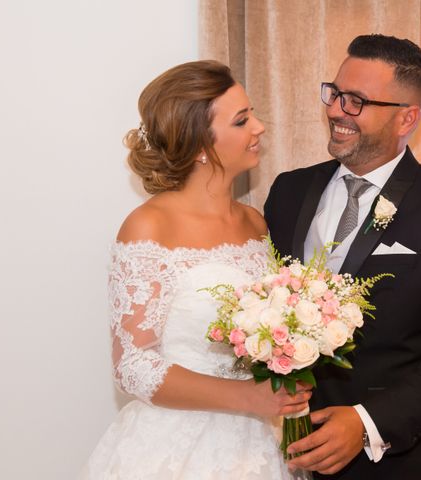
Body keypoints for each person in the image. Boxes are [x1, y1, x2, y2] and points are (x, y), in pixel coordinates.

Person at [264, 34, 421, 479]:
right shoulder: (287, 192)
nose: (336, 110)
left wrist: (369, 421)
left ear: (407, 118)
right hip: (294, 452)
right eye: (334, 93)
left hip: (401, 462)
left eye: (356, 101)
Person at [81, 60, 311, 479]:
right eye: (242, 120)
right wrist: (248, 397)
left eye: (252, 113)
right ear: (199, 143)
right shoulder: (149, 226)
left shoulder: (255, 222)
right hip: (177, 448)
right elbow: (133, 365)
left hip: (262, 443)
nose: (259, 127)